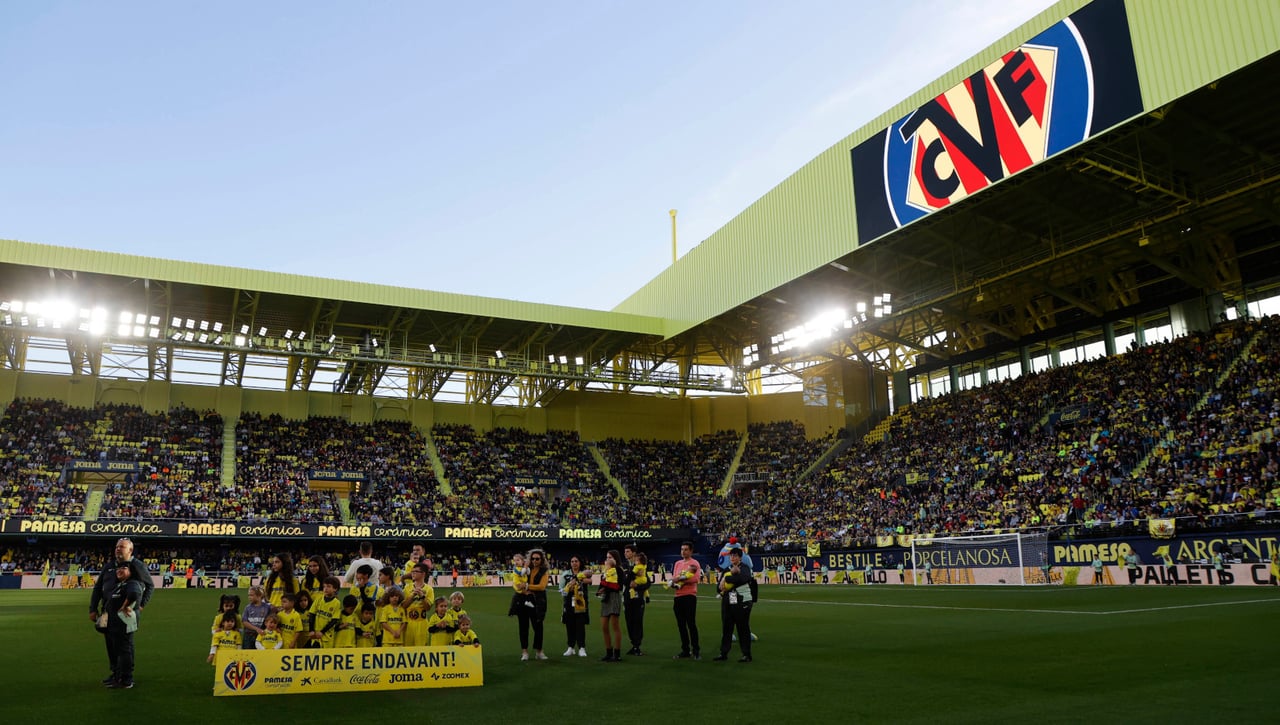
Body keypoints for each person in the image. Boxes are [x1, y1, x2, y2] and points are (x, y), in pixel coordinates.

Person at [89, 538, 154, 687]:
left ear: (130, 550)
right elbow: (98, 588)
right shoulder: (109, 566)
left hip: (125, 615)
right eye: (117, 547)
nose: (118, 549)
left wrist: (141, 605)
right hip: (107, 613)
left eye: (122, 547)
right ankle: (116, 674)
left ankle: (125, 677)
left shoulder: (137, 566)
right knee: (111, 645)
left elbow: (149, 586)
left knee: (124, 646)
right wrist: (93, 608)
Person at [102, 560, 143, 688]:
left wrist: (125, 605)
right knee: (119, 651)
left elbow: (134, 594)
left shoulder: (132, 583)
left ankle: (126, 680)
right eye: (118, 568)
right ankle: (119, 677)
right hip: (115, 624)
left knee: (124, 651)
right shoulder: (122, 584)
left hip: (123, 623)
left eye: (124, 568)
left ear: (131, 572)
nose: (119, 570)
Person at [712, 547, 754, 663]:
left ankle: (746, 654)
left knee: (743, 628)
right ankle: (723, 653)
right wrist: (727, 580)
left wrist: (727, 579)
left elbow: (744, 578)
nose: (732, 558)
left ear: (740, 557)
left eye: (735, 556)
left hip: (742, 599)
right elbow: (718, 587)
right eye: (731, 556)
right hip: (728, 600)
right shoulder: (726, 569)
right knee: (727, 628)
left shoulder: (744, 568)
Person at [515, 548, 550, 661]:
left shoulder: (544, 571)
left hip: (538, 602)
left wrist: (526, 586)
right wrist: (523, 589)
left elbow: (542, 586)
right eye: (533, 558)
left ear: (542, 559)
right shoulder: (526, 569)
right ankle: (524, 652)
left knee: (538, 627)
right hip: (523, 599)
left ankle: (539, 651)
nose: (535, 561)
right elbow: (517, 583)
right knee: (523, 626)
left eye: (537, 559)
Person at [671, 541, 702, 660]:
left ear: (691, 551)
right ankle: (685, 649)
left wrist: (680, 579)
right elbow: (674, 578)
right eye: (682, 549)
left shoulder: (694, 563)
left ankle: (696, 650)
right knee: (681, 625)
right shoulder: (678, 563)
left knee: (691, 624)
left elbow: (695, 578)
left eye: (685, 549)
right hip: (678, 596)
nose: (683, 552)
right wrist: (674, 583)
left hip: (689, 595)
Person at [560, 555, 589, 657]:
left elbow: (590, 581)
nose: (574, 563)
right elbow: (561, 590)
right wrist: (568, 589)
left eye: (576, 561)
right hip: (568, 602)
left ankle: (581, 648)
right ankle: (570, 647)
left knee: (580, 625)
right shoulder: (565, 574)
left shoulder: (584, 573)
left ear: (579, 562)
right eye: (572, 561)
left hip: (581, 602)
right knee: (570, 625)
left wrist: (578, 580)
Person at [598, 549, 624, 662]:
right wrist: (601, 589)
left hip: (614, 598)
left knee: (615, 626)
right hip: (606, 598)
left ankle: (617, 653)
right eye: (607, 557)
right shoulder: (606, 571)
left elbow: (618, 586)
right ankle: (608, 652)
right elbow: (603, 583)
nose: (607, 560)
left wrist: (604, 584)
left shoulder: (618, 570)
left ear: (615, 559)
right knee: (604, 627)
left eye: (610, 557)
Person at [623, 545, 648, 656]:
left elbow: (647, 583)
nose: (625, 553)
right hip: (628, 598)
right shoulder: (624, 566)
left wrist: (637, 586)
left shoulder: (640, 565)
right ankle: (634, 645)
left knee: (638, 621)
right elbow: (624, 581)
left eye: (627, 551)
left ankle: (637, 646)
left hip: (638, 598)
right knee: (629, 622)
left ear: (633, 553)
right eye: (625, 551)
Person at [403, 563, 435, 647]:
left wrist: (422, 596)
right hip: (408, 622)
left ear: (423, 574)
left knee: (421, 649)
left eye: (416, 571)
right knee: (408, 649)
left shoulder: (429, 589)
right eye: (412, 571)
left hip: (422, 622)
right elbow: (403, 606)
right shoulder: (407, 588)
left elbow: (428, 608)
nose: (413, 573)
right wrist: (412, 596)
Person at [241, 585, 273, 650]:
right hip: (249, 636)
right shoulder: (248, 608)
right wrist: (256, 629)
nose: (249, 597)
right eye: (248, 595)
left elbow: (270, 620)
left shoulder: (267, 607)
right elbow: (244, 622)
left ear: (259, 596)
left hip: (262, 635)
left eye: (251, 595)